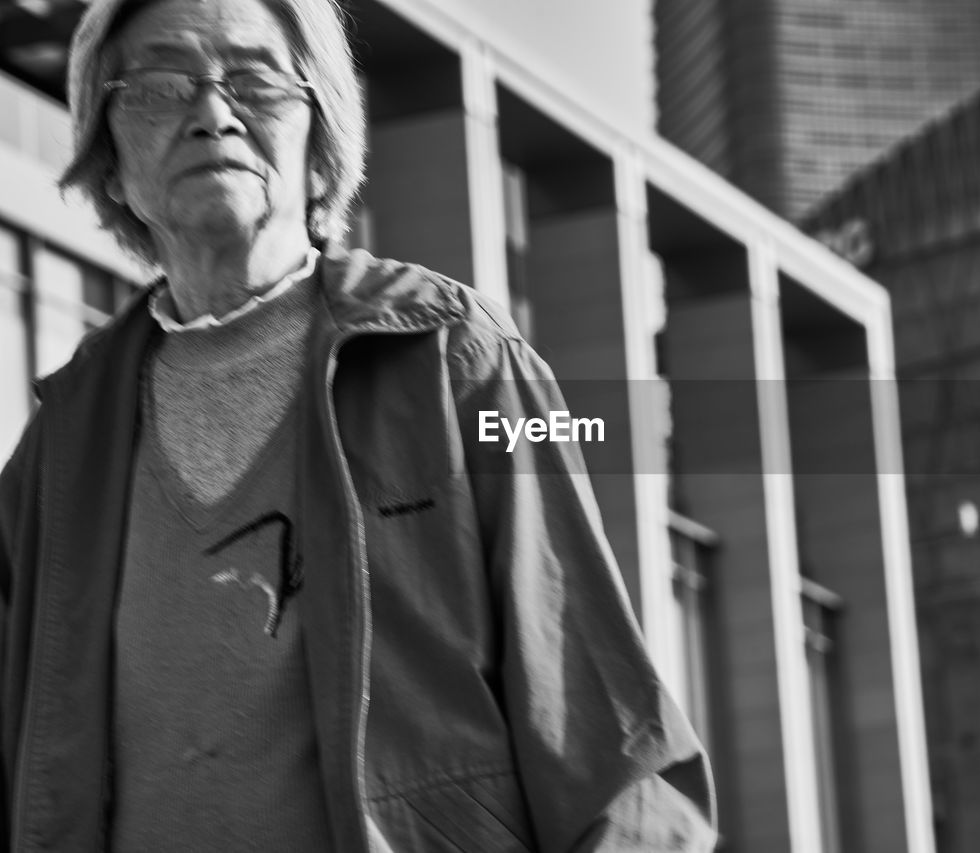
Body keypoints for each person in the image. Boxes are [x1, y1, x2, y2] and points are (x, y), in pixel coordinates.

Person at [0, 0, 716, 849]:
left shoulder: (459, 360)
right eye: (159, 87)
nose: (213, 114)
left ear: (321, 151)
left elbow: (613, 742)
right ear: (110, 165)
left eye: (257, 81)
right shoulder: (65, 438)